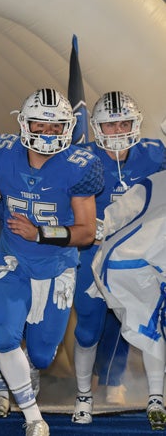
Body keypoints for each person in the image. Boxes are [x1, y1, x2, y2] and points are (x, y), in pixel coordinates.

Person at [0, 88, 104, 436]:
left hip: (56, 267)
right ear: (23, 122)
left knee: (43, 355)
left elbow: (87, 232)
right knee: (3, 334)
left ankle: (28, 370)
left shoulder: (79, 165)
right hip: (12, 261)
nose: (47, 133)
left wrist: (40, 234)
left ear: (68, 127)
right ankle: (33, 417)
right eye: (39, 125)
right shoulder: (3, 153)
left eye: (55, 126)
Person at [72, 91, 166, 424]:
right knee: (88, 328)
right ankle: (84, 394)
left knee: (136, 318)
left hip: (135, 258)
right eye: (110, 125)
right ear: (97, 128)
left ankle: (117, 380)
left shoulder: (155, 154)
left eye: (124, 123)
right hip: (93, 252)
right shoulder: (81, 159)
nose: (118, 131)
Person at [91, 170, 166, 430]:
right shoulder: (156, 182)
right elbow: (114, 217)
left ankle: (156, 395)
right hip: (149, 265)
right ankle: (155, 396)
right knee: (152, 326)